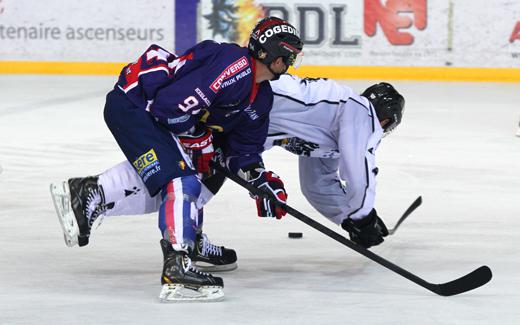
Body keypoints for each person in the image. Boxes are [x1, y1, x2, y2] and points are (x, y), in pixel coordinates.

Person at [51, 16, 304, 303]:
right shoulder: (235, 66)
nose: (290, 61)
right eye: (286, 54)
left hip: (161, 116)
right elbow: (168, 108)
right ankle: (177, 266)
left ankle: (98, 195)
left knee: (208, 173)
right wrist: (201, 140)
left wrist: (259, 179)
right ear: (266, 51)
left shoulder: (261, 98)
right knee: (182, 179)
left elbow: (242, 151)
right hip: (136, 105)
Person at [52, 75, 404, 265]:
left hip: (239, 124)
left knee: (199, 183)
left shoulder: (331, 132)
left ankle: (114, 201)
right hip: (231, 101)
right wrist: (362, 214)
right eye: (385, 124)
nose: (381, 129)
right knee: (182, 175)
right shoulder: (358, 110)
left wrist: (347, 217)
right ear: (384, 117)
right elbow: (361, 166)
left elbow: (320, 185)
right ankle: (96, 190)